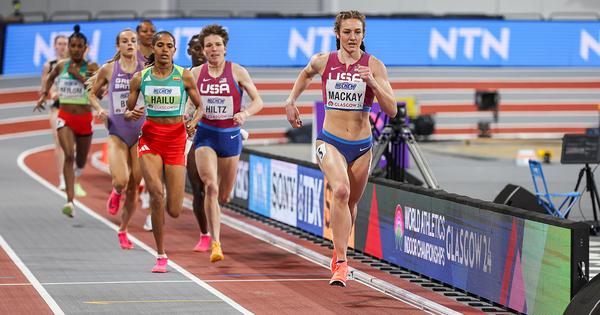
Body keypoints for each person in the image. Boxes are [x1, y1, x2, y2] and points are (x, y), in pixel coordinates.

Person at [284, 11, 396, 287]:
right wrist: (291, 100)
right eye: (347, 32)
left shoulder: (375, 66)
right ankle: (343, 265)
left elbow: (391, 110)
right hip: (330, 141)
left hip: (361, 147)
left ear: (363, 35)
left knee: (351, 204)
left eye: (357, 32)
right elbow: (306, 73)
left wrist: (372, 82)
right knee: (341, 191)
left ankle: (338, 253)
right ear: (337, 34)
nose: (352, 37)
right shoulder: (324, 61)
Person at [125, 31, 202, 273]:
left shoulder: (184, 76)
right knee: (157, 195)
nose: (165, 50)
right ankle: (161, 255)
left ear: (174, 50)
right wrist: (131, 113)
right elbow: (128, 108)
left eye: (169, 46)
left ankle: (167, 197)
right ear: (153, 49)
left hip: (176, 141)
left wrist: (194, 121)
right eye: (160, 45)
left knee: (175, 209)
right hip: (150, 140)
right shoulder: (140, 78)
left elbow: (200, 107)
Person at [191, 24, 263, 263]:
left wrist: (245, 115)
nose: (214, 49)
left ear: (225, 48)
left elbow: (258, 101)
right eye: (209, 45)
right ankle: (216, 244)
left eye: (218, 45)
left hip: (231, 136)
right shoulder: (195, 74)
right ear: (203, 50)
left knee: (223, 195)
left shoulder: (237, 71)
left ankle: (224, 196)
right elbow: (188, 104)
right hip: (206, 135)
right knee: (209, 187)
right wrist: (189, 119)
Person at [88, 29, 145, 250]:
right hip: (117, 131)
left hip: (140, 134)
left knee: (135, 185)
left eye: (133, 41)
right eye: (125, 41)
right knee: (122, 181)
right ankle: (116, 191)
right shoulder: (109, 69)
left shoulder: (146, 71)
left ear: (138, 45)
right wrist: (99, 110)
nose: (130, 44)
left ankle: (123, 229)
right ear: (117, 46)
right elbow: (92, 93)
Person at [35, 25, 100, 217]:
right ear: (69, 47)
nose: (76, 49)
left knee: (80, 161)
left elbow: (96, 92)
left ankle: (77, 173)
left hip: (85, 118)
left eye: (80, 46)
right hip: (65, 116)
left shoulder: (92, 67)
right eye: (73, 46)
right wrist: (44, 94)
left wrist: (77, 75)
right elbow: (50, 78)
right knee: (68, 155)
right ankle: (70, 201)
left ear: (85, 48)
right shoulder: (61, 65)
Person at [183, 34, 211, 252]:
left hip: (217, 133)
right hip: (192, 136)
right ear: (189, 51)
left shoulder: (219, 73)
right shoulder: (183, 76)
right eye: (196, 48)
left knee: (216, 189)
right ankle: (205, 234)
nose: (201, 52)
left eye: (204, 47)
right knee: (198, 189)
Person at [40, 35, 68, 191]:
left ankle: (71, 173)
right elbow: (44, 86)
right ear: (55, 46)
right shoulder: (48, 65)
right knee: (59, 143)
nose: (63, 46)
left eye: (65, 44)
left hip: (74, 108)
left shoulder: (75, 64)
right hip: (57, 108)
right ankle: (62, 177)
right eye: (60, 44)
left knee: (73, 146)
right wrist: (51, 91)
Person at [136, 19, 156, 231]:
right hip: (136, 115)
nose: (149, 34)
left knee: (156, 172)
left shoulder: (162, 53)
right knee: (136, 168)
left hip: (155, 117)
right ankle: (141, 188)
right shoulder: (132, 55)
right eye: (145, 30)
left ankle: (152, 204)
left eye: (152, 31)